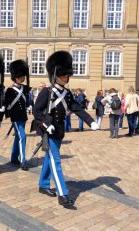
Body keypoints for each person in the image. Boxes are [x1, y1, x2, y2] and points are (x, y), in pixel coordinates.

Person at [33, 51, 98, 208]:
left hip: (59, 131)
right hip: (48, 132)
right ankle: (63, 194)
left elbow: (77, 108)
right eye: (64, 75)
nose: (66, 78)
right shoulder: (46, 92)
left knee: (49, 160)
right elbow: (36, 111)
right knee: (56, 162)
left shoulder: (67, 93)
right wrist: (46, 124)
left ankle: (43, 184)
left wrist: (91, 121)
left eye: (67, 75)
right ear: (56, 75)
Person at [5, 59, 30, 171]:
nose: (22, 78)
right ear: (15, 77)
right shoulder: (10, 90)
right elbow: (6, 103)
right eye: (20, 77)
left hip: (23, 116)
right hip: (15, 116)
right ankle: (23, 160)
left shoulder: (25, 88)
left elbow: (27, 100)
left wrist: (29, 105)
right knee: (22, 136)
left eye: (23, 77)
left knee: (18, 138)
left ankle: (14, 157)